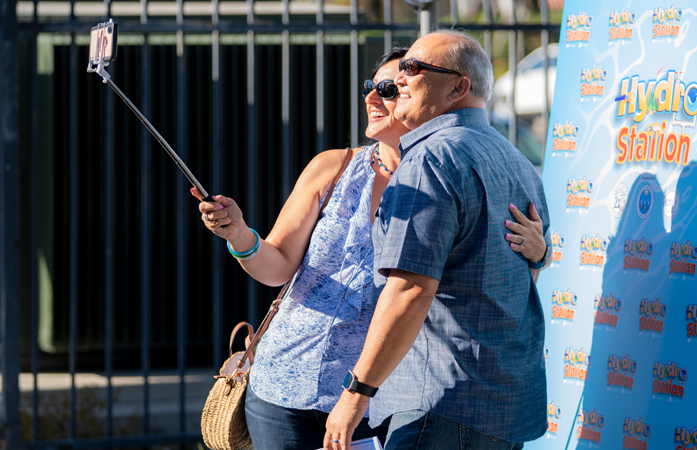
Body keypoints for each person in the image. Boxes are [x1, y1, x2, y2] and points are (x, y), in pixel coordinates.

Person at [193, 47, 547, 449]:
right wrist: (239, 234)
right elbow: (276, 268)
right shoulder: (334, 166)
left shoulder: (443, 172)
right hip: (283, 384)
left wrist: (538, 253)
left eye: (388, 89)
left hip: (377, 400)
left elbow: (486, 272)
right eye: (369, 87)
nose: (371, 98)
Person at [324, 30, 550, 450]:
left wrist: (356, 395)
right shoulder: (518, 161)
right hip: (503, 406)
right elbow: (526, 269)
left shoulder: (430, 158)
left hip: (440, 404)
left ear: (458, 87)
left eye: (413, 68)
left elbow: (410, 288)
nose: (400, 80)